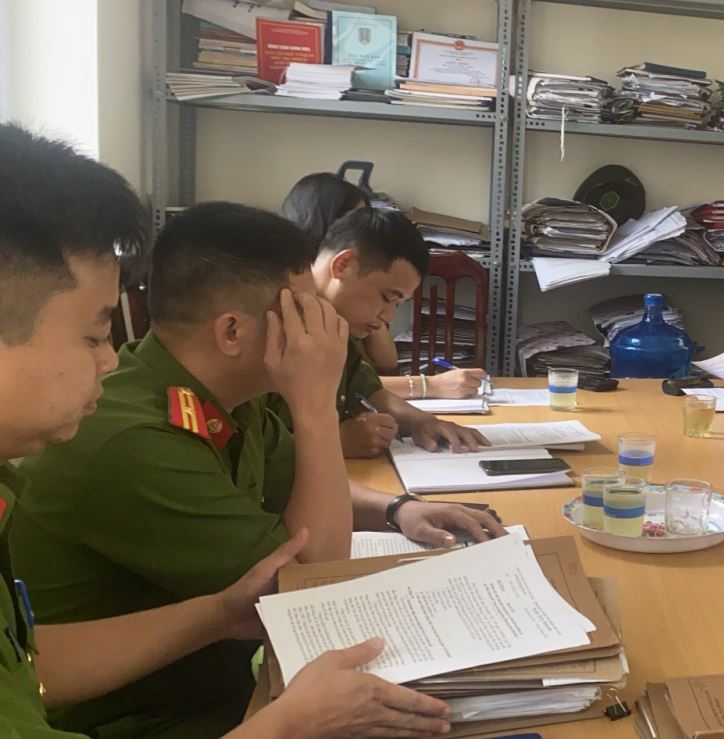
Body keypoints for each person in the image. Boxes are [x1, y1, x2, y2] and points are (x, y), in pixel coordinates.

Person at [0, 124, 455, 738]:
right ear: (234, 332)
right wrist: (315, 403)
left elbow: (30, 667)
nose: (108, 359)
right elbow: (315, 573)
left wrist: (398, 509)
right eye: (93, 334)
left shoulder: (230, 399)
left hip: (212, 685)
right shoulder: (129, 440)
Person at [280, 173, 486, 399]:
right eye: (355, 219)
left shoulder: (337, 311)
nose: (366, 227)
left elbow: (384, 361)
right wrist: (429, 386)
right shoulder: (286, 309)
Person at [307, 207, 492, 458]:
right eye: (387, 297)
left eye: (397, 304)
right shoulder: (275, 325)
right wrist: (337, 441)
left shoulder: (335, 327)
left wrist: (422, 422)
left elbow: (369, 391)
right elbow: (259, 447)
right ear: (343, 265)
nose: (388, 317)